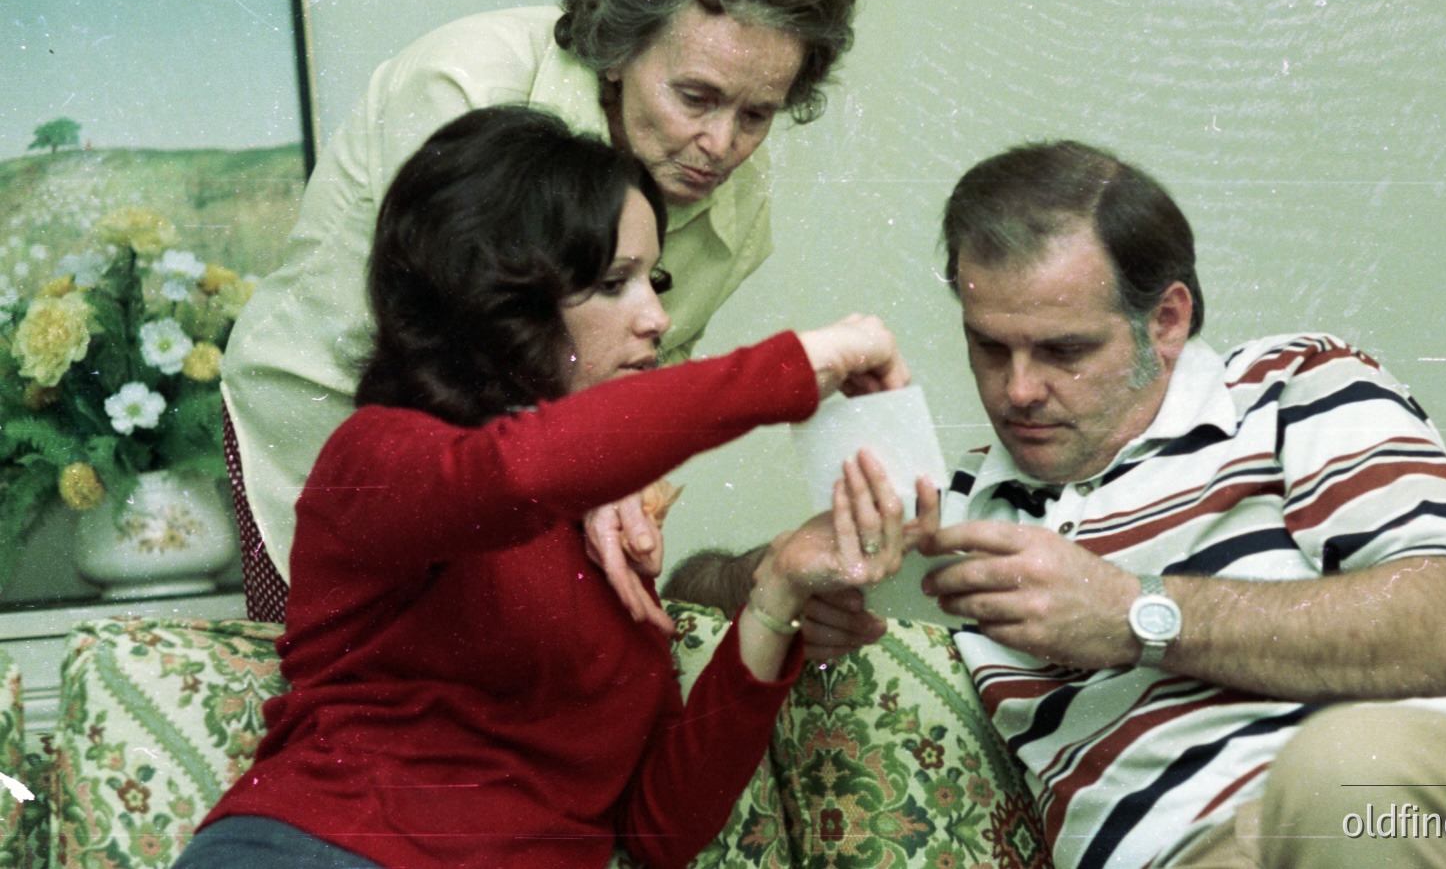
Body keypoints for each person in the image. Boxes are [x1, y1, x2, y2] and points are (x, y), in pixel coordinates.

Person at [803, 140, 1446, 869]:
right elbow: (709, 590)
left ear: (1167, 321)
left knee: (1337, 771)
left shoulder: (1295, 391)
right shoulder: (964, 513)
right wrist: (787, 579)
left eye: (1065, 350)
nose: (1018, 391)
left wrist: (1140, 614)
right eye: (989, 346)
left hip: (1420, 811)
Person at [175, 106, 936, 869]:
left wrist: (776, 594)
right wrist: (797, 365)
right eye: (613, 283)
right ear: (500, 305)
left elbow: (658, 831)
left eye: (654, 278)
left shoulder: (606, 529)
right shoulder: (379, 456)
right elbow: (513, 472)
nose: (658, 318)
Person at [221, 0, 858, 623]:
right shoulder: (466, 83)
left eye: (756, 115)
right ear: (618, 55)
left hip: (529, 459)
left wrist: (617, 472)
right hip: (325, 426)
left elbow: (642, 382)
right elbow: (456, 356)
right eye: (696, 97)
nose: (721, 144)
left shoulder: (739, 201)